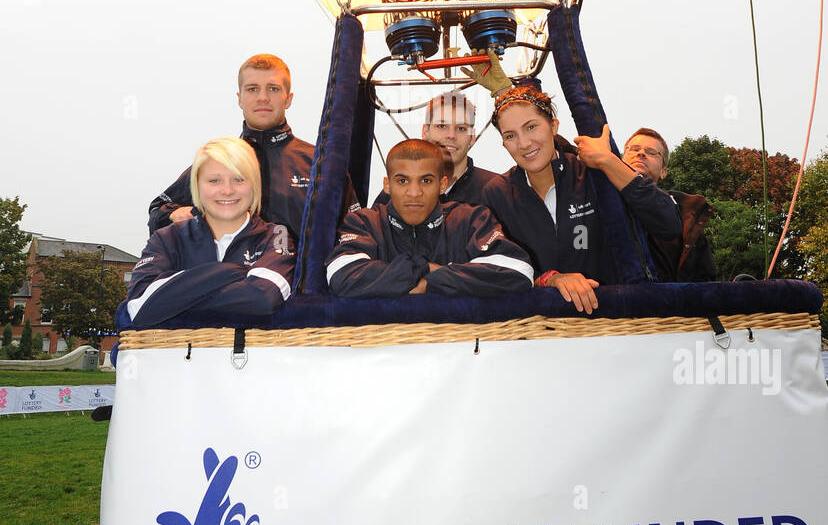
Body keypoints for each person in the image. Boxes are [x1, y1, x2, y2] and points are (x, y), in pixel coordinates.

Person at [483, 88, 682, 313]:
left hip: (609, 321)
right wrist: (547, 279)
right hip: (538, 331)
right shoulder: (497, 193)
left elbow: (669, 224)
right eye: (510, 135)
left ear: (554, 126)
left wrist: (610, 161)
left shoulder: (595, 175)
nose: (524, 143)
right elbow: (495, 265)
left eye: (531, 127)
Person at [148, 53, 357, 239]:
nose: (263, 97)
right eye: (252, 89)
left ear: (288, 99)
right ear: (240, 99)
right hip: (232, 282)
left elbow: (355, 233)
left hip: (303, 282)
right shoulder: (218, 159)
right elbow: (157, 210)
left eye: (273, 89)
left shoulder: (322, 163)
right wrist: (185, 215)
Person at [120, 137, 296, 330]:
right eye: (214, 180)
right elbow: (139, 307)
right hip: (180, 359)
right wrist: (231, 271)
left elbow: (263, 298)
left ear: (254, 185)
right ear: (197, 186)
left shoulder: (277, 235)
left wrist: (175, 298)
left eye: (239, 179)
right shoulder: (165, 238)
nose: (227, 190)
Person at [326, 139, 533, 298]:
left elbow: (518, 271)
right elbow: (341, 276)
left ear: (442, 185)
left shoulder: (471, 219)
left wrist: (432, 280)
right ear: (387, 185)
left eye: (426, 180)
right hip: (384, 351)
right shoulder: (364, 222)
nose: (414, 192)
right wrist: (423, 268)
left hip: (460, 350)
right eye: (403, 181)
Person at [622, 128, 718, 281]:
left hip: (667, 301)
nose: (641, 153)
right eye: (634, 149)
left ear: (663, 172)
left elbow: (706, 280)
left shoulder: (687, 217)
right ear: (619, 160)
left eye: (651, 152)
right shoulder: (593, 199)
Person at [421, 92, 497, 205]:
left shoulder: (496, 191)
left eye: (461, 128)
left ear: (472, 137)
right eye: (442, 126)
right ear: (425, 132)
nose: (451, 135)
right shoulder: (401, 189)